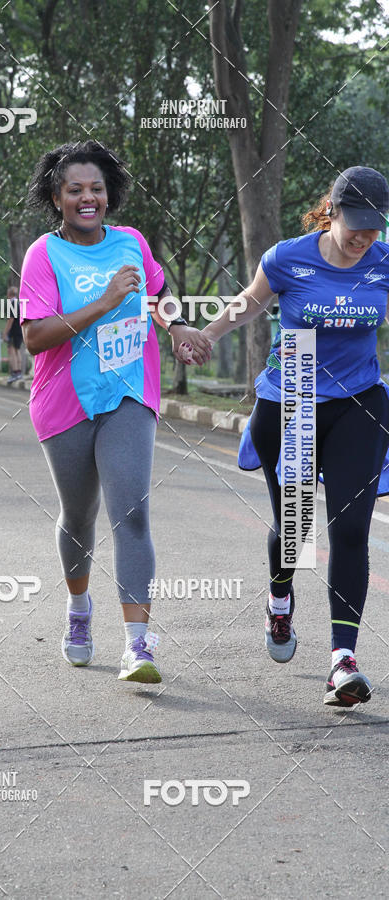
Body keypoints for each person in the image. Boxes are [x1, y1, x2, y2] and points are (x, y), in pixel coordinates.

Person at [20, 140, 211, 683]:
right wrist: (103, 303)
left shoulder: (130, 242)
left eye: (97, 189)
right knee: (79, 518)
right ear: (57, 197)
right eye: (75, 189)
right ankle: (79, 611)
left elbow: (158, 294)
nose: (88, 198)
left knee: (132, 513)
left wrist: (176, 328)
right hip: (64, 402)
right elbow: (35, 338)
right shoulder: (43, 255)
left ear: (109, 195)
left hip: (129, 393)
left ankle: (138, 645)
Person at [200, 166, 389, 707]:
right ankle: (280, 597)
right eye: (355, 224)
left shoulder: (383, 262)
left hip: (359, 401)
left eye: (374, 227)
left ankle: (342, 660)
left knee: (350, 528)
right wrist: (208, 334)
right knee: (297, 528)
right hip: (294, 394)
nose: (363, 237)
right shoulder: (289, 256)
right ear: (331, 212)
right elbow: (249, 303)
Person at [3, 284, 24, 383]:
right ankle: (19, 372)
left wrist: (5, 332)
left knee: (11, 351)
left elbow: (10, 319)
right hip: (20, 330)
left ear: (8, 294)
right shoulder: (19, 303)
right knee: (17, 350)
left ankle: (15, 373)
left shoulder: (12, 304)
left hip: (14, 331)